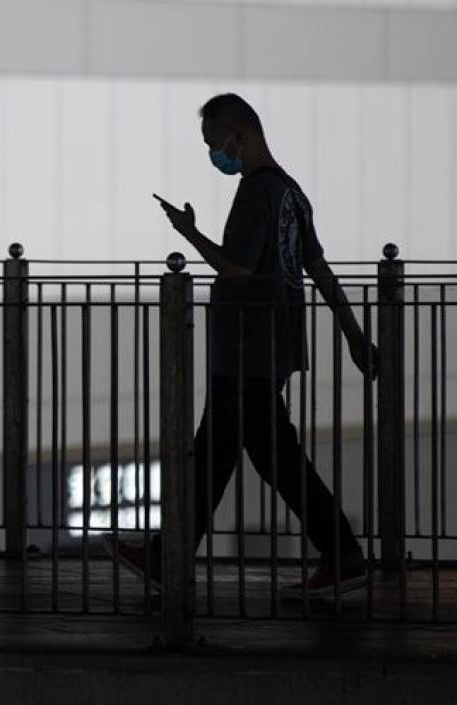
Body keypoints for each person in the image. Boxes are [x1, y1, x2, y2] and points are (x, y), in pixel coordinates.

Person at [106, 94, 377, 598]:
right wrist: (353, 333)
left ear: (239, 137)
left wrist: (189, 234)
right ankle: (169, 555)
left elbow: (236, 267)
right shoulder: (293, 194)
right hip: (270, 347)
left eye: (215, 144)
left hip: (247, 349)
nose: (215, 155)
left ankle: (343, 554)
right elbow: (317, 269)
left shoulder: (257, 192)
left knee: (274, 458)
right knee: (213, 455)